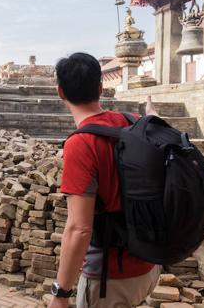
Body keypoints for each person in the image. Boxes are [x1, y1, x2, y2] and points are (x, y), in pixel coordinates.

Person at [49, 53, 160, 308]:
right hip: (149, 265)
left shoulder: (80, 144)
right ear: (101, 88)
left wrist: (60, 293)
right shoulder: (132, 121)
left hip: (109, 279)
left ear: (60, 93)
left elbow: (79, 229)